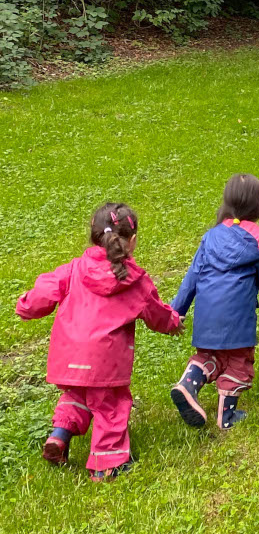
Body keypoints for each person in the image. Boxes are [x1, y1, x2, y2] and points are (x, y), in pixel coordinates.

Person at [16, 203, 181, 482]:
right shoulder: (134, 280)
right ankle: (107, 465)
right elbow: (156, 313)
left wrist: (25, 306)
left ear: (93, 236)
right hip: (105, 363)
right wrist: (174, 323)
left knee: (77, 395)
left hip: (68, 355)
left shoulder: (73, 269)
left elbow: (44, 291)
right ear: (132, 241)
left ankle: (59, 434)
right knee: (110, 406)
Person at [169, 173, 259, 430]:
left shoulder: (211, 236)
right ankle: (226, 416)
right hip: (238, 320)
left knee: (208, 355)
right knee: (238, 362)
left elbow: (192, 277)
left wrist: (176, 311)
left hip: (206, 317)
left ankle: (188, 384)